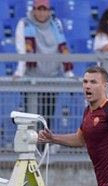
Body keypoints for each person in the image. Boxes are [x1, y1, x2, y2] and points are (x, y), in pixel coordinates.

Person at [13, 0, 74, 130]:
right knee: (31, 118)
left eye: (44, 9)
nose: (41, 12)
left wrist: (68, 73)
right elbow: (22, 50)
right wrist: (19, 72)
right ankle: (31, 143)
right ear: (33, 10)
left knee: (46, 118)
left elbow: (62, 47)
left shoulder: (56, 24)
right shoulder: (24, 24)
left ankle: (44, 142)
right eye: (38, 9)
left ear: (49, 11)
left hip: (52, 78)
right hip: (31, 79)